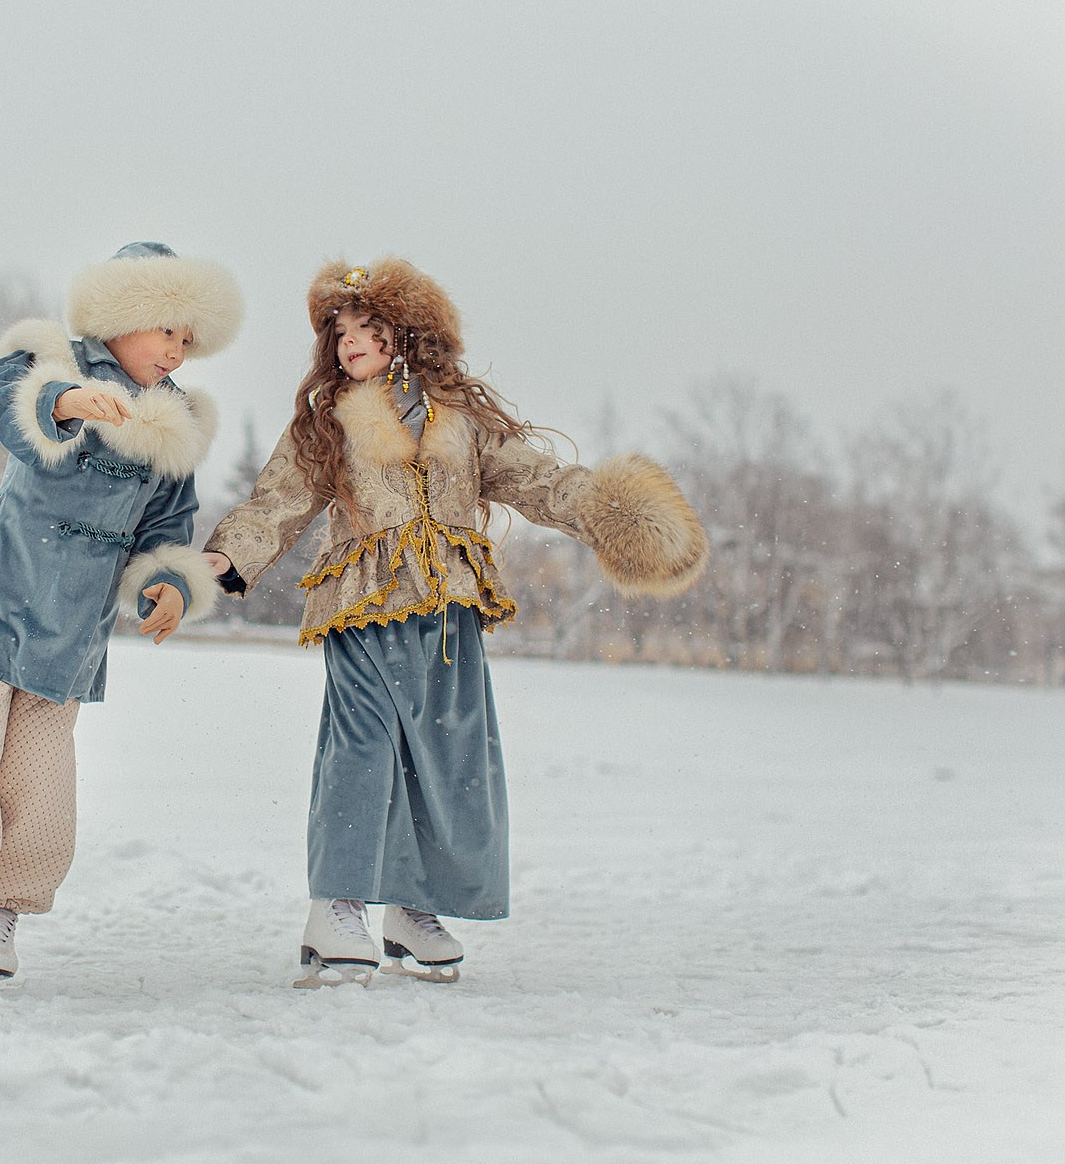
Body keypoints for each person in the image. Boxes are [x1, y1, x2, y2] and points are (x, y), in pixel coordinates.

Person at [202, 256, 707, 986]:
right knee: (362, 750)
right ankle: (336, 905)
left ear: (408, 332)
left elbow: (538, 481)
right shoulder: (326, 422)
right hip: (362, 606)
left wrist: (608, 512)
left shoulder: (460, 422)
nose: (349, 342)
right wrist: (222, 560)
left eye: (367, 327)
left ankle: (413, 906)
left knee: (445, 759)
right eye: (338, 331)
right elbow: (275, 502)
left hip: (447, 615)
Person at [0, 241, 241, 988]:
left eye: (187, 338)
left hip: (72, 622)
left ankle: (2, 909)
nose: (176, 349)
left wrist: (164, 583)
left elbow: (166, 525)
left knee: (39, 771)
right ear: (120, 314)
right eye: (164, 327)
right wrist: (66, 402)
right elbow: (8, 401)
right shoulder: (50, 357)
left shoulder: (175, 424)